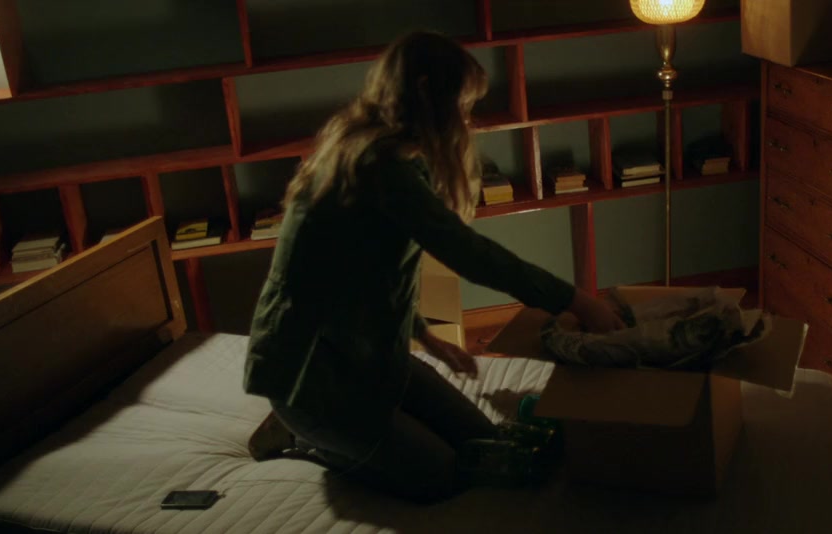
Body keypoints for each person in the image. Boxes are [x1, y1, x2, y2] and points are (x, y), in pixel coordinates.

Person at [243, 30, 625, 504]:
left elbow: (365, 275)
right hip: (311, 379)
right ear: (428, 96)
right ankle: (303, 435)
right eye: (462, 105)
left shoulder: (394, 158)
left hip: (368, 358)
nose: (466, 119)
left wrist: (425, 337)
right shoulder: (375, 166)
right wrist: (578, 301)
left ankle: (332, 430)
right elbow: (468, 253)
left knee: (485, 443)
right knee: (444, 477)